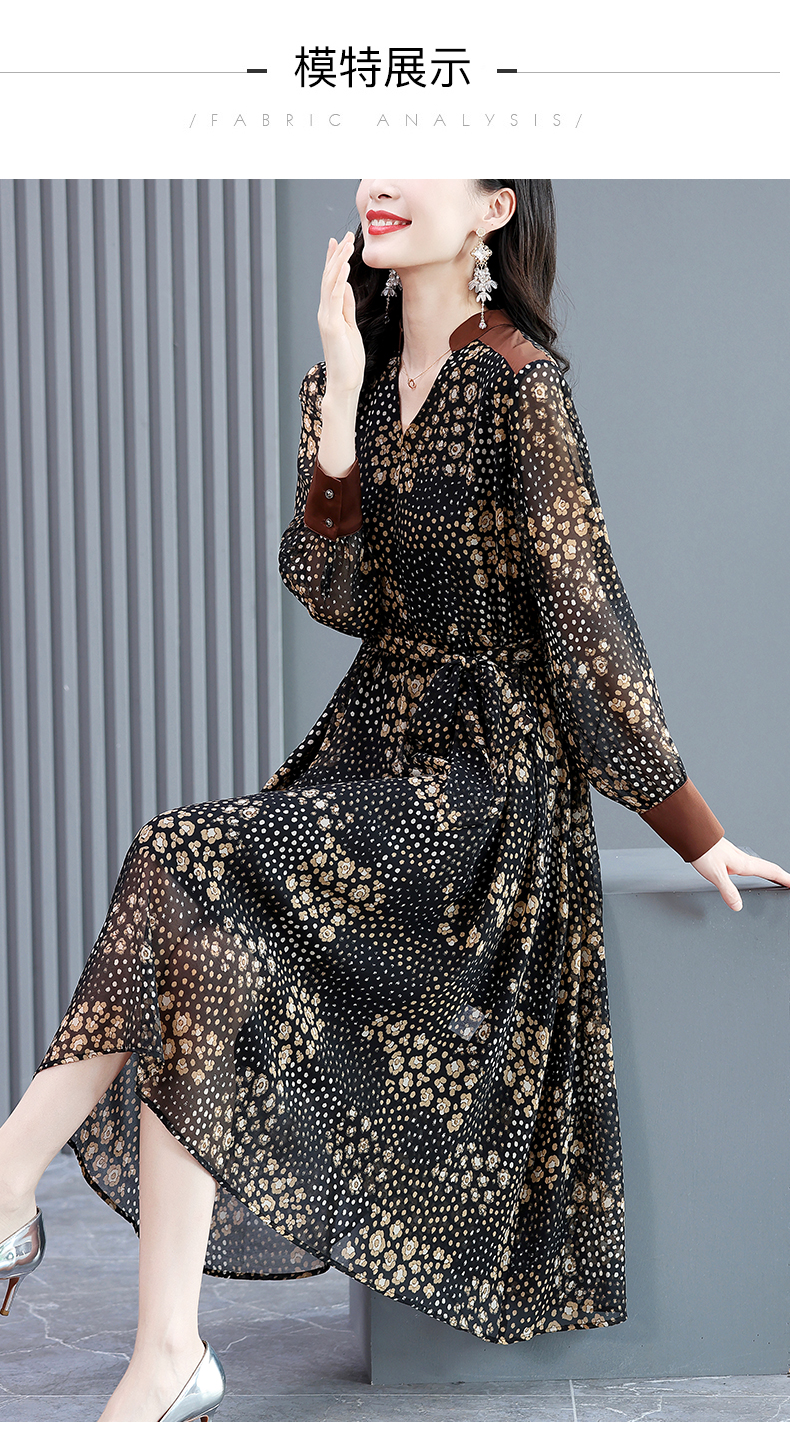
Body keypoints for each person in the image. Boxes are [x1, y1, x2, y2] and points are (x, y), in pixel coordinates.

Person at [1, 179, 787, 1420]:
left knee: (178, 852)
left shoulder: (521, 384)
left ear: (491, 210)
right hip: (378, 743)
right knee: (198, 941)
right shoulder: (356, 377)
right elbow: (335, 590)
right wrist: (336, 392)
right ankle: (166, 1349)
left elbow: (585, 619)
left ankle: (8, 1190)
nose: (383, 181)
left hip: (486, 786)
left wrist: (690, 826)